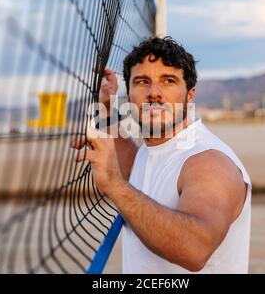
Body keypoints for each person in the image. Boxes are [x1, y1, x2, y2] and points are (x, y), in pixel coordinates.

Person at [74, 37, 251, 273]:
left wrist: (114, 184)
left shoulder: (209, 162)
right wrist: (105, 108)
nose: (154, 93)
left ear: (190, 94)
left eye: (168, 81)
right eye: (141, 82)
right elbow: (132, 166)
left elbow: (195, 250)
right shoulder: (150, 153)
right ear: (129, 95)